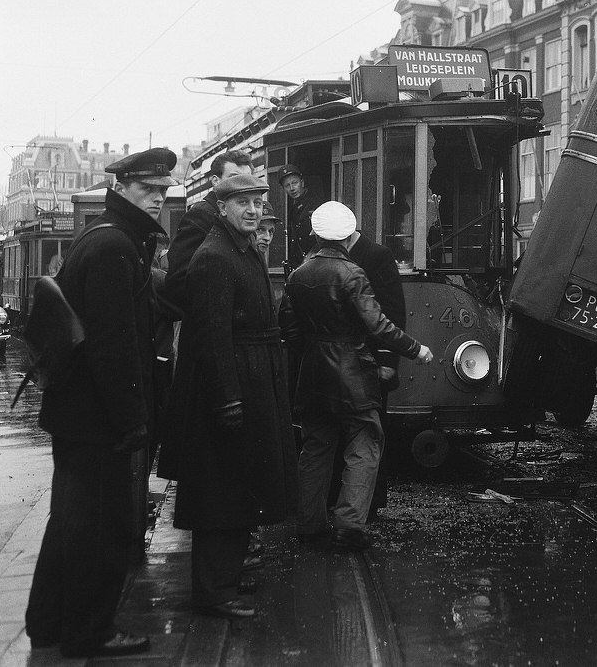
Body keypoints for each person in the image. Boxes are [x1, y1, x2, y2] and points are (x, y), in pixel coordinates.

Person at [25, 147, 177, 658]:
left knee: (68, 520)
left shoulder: (101, 237)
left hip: (76, 411)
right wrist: (134, 419)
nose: (156, 200)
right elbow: (114, 344)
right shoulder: (116, 246)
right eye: (146, 190)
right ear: (121, 189)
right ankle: (90, 631)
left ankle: (47, 623)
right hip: (97, 418)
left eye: (161, 191)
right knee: (100, 527)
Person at [157, 173, 297, 618]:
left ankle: (227, 579)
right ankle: (212, 591)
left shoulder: (242, 249)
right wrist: (227, 399)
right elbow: (210, 335)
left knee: (241, 487)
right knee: (220, 491)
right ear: (222, 208)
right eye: (243, 203)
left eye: (258, 202)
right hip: (233, 385)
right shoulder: (215, 257)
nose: (254, 210)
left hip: (253, 380)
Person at [282, 201, 433, 550]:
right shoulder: (352, 273)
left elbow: (290, 328)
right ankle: (348, 526)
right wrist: (415, 349)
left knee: (316, 446)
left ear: (318, 235)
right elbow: (378, 325)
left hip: (313, 371)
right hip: (352, 371)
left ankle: (310, 525)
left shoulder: (298, 274)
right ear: (349, 236)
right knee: (365, 441)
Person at [347, 225, 408, 513]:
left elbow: (393, 312)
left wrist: (387, 361)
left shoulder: (378, 256)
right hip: (346, 362)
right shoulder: (334, 254)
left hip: (372, 360)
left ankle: (370, 504)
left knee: (372, 434)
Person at [162, 149, 254, 313]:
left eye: (247, 179)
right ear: (215, 181)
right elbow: (179, 281)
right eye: (234, 178)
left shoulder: (243, 215)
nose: (242, 185)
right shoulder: (200, 216)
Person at [279, 164, 322, 274]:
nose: (292, 189)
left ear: (302, 182)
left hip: (315, 264)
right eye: (287, 185)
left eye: (295, 183)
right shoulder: (291, 208)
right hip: (300, 266)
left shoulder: (315, 203)